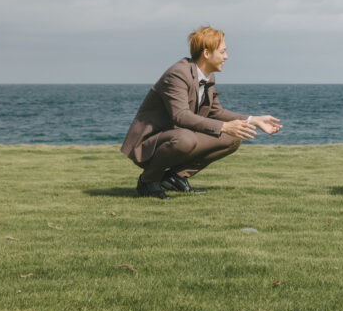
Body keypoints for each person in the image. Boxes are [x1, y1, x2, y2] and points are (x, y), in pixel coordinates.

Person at [120, 26, 282, 199]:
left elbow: (215, 111)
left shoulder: (207, 77)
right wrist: (224, 126)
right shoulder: (178, 74)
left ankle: (175, 178)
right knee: (186, 138)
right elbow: (180, 116)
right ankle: (148, 180)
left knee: (233, 138)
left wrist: (253, 120)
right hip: (150, 144)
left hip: (177, 137)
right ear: (206, 53)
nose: (226, 56)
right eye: (223, 52)